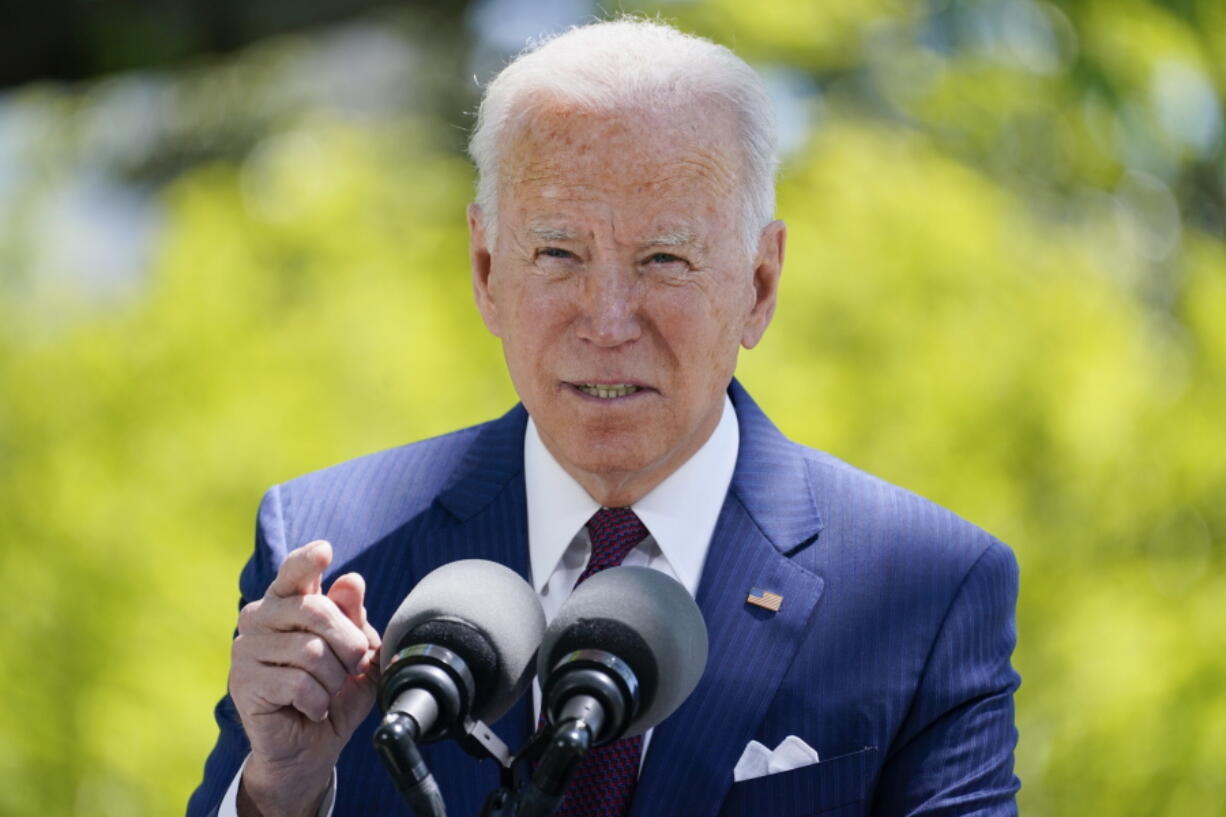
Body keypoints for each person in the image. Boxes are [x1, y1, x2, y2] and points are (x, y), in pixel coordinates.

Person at [188, 18, 1020, 817]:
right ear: (486, 269)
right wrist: (281, 793)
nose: (608, 319)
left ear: (759, 286)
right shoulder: (334, 553)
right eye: (558, 254)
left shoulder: (928, 591)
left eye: (664, 258)